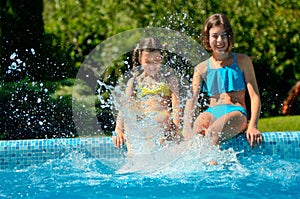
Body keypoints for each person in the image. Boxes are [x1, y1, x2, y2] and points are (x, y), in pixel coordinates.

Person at [182, 13, 262, 147]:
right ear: (207, 39)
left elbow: (254, 96)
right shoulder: (201, 68)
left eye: (224, 35)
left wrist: (253, 125)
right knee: (197, 131)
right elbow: (192, 99)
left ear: (229, 37)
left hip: (236, 113)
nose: (220, 40)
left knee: (213, 132)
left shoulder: (243, 61)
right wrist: (186, 126)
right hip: (212, 112)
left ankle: (214, 168)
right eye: (214, 36)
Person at [113, 36, 181, 154]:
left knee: (161, 116)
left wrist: (176, 127)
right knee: (130, 110)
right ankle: (132, 156)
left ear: (162, 59)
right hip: (142, 123)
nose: (152, 66)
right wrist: (118, 129)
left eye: (156, 62)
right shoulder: (134, 82)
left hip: (163, 124)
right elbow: (123, 109)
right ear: (140, 60)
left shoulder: (169, 80)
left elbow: (176, 106)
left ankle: (157, 153)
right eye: (147, 62)